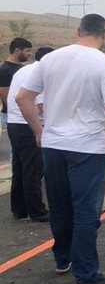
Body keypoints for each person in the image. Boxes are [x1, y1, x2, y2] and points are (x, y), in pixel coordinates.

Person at [16, 14, 105, 284]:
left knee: (60, 207)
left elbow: (22, 97)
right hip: (86, 148)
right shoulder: (104, 63)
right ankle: (86, 274)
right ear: (104, 35)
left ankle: (63, 260)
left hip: (53, 146)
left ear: (78, 30)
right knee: (86, 212)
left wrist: (39, 131)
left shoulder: (50, 59)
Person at [7, 46, 53, 222]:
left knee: (20, 168)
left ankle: (19, 208)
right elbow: (42, 106)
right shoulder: (40, 73)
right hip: (29, 125)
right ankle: (37, 210)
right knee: (33, 169)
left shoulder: (25, 69)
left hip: (15, 124)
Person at [1, 37, 33, 124]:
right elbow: (5, 95)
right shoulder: (5, 70)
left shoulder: (21, 68)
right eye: (27, 51)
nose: (30, 53)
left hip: (21, 112)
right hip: (13, 115)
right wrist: (16, 113)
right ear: (17, 50)